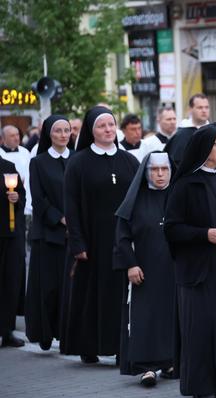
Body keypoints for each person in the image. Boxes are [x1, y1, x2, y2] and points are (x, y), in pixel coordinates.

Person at [164, 124, 216, 398]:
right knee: (199, 326)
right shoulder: (185, 184)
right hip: (197, 268)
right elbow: (172, 228)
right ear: (204, 149)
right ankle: (201, 387)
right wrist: (203, 234)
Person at [60, 106, 139, 363]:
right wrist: (77, 242)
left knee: (120, 295)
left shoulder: (129, 161)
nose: (107, 130)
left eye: (110, 124)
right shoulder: (78, 162)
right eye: (101, 126)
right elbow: (70, 205)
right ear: (90, 131)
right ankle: (89, 345)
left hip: (123, 239)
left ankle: (120, 347)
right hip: (92, 240)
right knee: (92, 295)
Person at [113, 152, 176, 386]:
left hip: (173, 270)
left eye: (164, 169)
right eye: (154, 170)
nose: (160, 174)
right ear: (146, 172)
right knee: (145, 318)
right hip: (144, 270)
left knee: (170, 316)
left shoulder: (178, 197)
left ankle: (170, 361)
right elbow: (121, 237)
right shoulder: (136, 199)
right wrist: (130, 264)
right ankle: (146, 367)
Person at [24, 115, 71, 351]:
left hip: (74, 234)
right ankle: (44, 332)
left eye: (67, 130)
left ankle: (65, 332)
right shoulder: (39, 162)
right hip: (48, 233)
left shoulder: (77, 160)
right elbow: (38, 200)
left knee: (68, 287)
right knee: (48, 287)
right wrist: (61, 218)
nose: (63, 135)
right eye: (58, 131)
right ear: (48, 135)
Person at [0, 157, 26, 347]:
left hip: (8, 234)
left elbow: (20, 195)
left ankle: (6, 330)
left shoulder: (7, 167)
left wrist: (16, 198)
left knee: (9, 282)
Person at [165, 93, 211, 165]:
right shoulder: (181, 134)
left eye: (206, 107)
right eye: (200, 107)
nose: (204, 110)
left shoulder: (214, 132)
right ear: (190, 109)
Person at [1, 125, 32, 216]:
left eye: (17, 135)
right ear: (3, 138)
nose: (16, 138)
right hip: (6, 195)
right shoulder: (1, 154)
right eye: (12, 136)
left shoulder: (25, 152)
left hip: (25, 190)